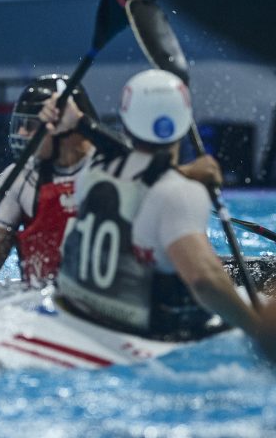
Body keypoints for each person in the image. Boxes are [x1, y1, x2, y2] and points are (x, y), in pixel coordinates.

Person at [0, 74, 222, 293]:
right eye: (20, 124)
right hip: (45, 301)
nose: (22, 133)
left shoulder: (111, 164)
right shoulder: (17, 178)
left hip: (116, 301)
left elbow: (153, 171)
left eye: (31, 125)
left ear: (65, 128)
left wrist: (186, 173)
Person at [53, 69, 263, 343]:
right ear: (185, 121)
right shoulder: (180, 192)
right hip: (154, 331)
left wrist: (81, 122)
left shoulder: (92, 172)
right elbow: (203, 281)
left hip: (82, 310)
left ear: (125, 119)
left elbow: (138, 168)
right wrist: (256, 328)